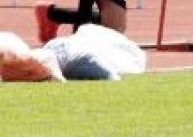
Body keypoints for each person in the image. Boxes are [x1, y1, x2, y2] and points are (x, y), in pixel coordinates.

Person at [0, 24, 145, 82]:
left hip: (71, 56)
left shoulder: (20, 57)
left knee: (111, 77)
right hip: (62, 50)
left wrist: (59, 80)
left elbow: (48, 58)